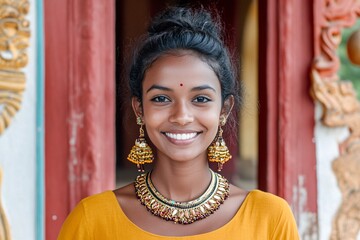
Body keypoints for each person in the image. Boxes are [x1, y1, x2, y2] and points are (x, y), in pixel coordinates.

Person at [58, 6, 299, 239]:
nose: (182, 116)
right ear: (139, 109)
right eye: (161, 98)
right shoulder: (92, 220)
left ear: (224, 109)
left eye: (201, 99)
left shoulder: (269, 218)